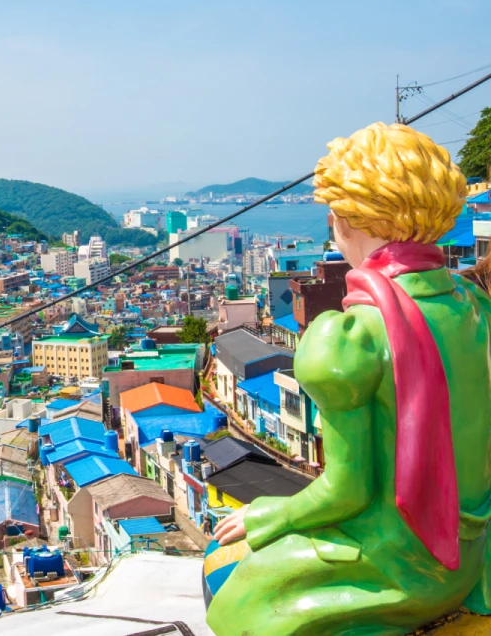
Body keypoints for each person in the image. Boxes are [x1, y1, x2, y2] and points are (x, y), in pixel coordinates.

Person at [206, 122, 491, 636]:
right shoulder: (477, 307)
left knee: (232, 604)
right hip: (471, 561)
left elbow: (347, 491)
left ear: (344, 220)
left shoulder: (348, 337)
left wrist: (272, 514)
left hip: (396, 566)